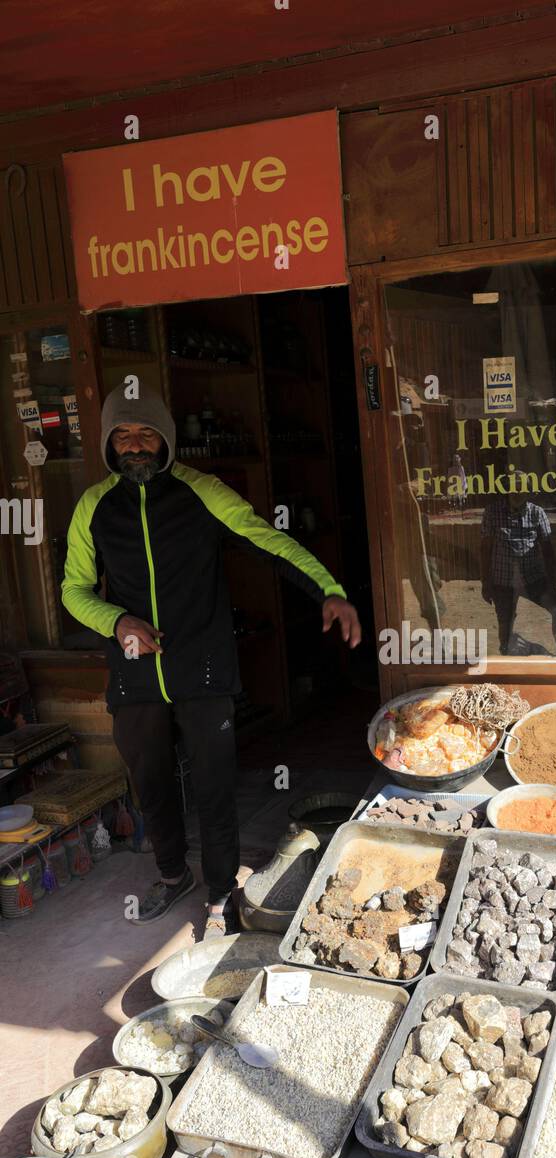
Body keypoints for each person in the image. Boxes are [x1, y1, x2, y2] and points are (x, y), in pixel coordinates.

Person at [62, 382, 360, 935]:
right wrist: (118, 621)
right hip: (134, 673)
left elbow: (267, 540)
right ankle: (173, 876)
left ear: (166, 439)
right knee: (150, 782)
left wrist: (329, 590)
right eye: (122, 435)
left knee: (214, 783)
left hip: (201, 666)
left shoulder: (202, 492)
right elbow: (73, 590)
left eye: (145, 433)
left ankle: (222, 891)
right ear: (108, 444)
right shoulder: (93, 508)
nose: (134, 445)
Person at [481, 483, 556, 656]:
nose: (517, 492)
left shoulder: (536, 512)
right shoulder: (493, 512)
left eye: (522, 489)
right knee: (505, 622)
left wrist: (551, 582)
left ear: (528, 492)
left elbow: (547, 549)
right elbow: (485, 548)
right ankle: (506, 657)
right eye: (513, 488)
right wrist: (486, 582)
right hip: (503, 580)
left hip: (532, 577)